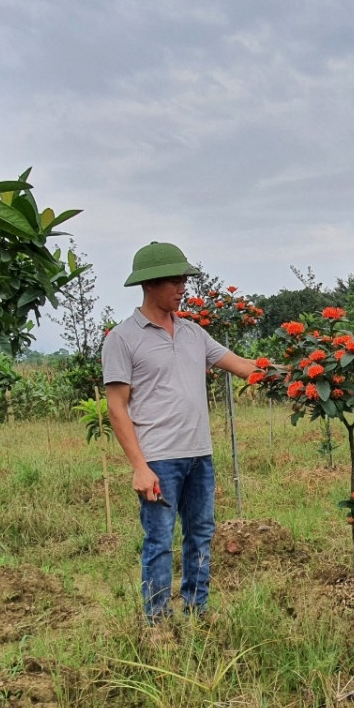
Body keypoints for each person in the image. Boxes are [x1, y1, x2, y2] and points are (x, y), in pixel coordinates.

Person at [102, 241, 260, 624]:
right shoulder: (122, 339)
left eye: (184, 280)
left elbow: (242, 366)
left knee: (201, 532)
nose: (182, 287)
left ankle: (196, 609)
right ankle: (156, 620)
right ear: (150, 284)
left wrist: (306, 371)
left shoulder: (193, 333)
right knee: (158, 541)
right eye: (174, 280)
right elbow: (117, 407)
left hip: (199, 455)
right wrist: (140, 467)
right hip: (158, 459)